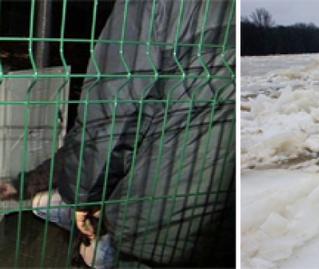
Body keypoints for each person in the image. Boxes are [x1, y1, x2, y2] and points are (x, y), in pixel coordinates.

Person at [2, 0, 235, 267]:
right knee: (46, 204)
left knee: (74, 228)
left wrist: (83, 198)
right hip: (212, 227)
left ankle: (93, 246)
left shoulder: (154, 12)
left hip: (150, 225)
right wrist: (26, 184)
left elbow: (111, 123)